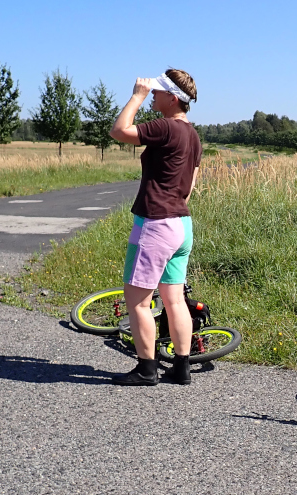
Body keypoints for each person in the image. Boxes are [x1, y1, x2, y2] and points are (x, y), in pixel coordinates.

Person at [108, 69, 201, 386]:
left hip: (156, 224)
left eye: (157, 93)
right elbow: (189, 188)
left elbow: (119, 130)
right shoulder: (193, 135)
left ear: (172, 98)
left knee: (137, 300)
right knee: (174, 300)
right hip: (181, 225)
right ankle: (181, 368)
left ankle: (147, 369)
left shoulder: (166, 127)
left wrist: (137, 95)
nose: (153, 97)